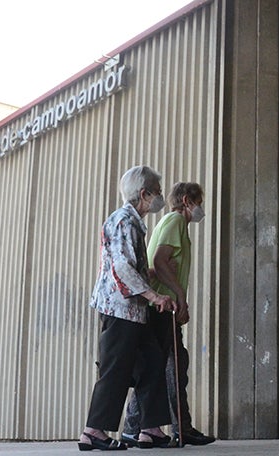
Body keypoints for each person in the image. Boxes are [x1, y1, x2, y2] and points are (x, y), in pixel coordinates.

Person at [78, 165, 176, 451]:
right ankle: (93, 432)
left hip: (134, 310)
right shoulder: (124, 221)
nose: (160, 197)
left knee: (152, 362)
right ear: (144, 194)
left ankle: (150, 429)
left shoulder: (132, 222)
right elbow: (122, 267)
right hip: (119, 309)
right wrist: (154, 296)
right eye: (157, 192)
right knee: (116, 369)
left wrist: (149, 287)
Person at [120, 182, 217, 447]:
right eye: (199, 203)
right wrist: (180, 297)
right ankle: (147, 427)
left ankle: (171, 427)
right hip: (161, 308)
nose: (201, 209)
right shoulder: (175, 221)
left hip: (163, 307)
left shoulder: (173, 224)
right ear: (187, 201)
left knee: (172, 367)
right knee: (166, 369)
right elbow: (160, 262)